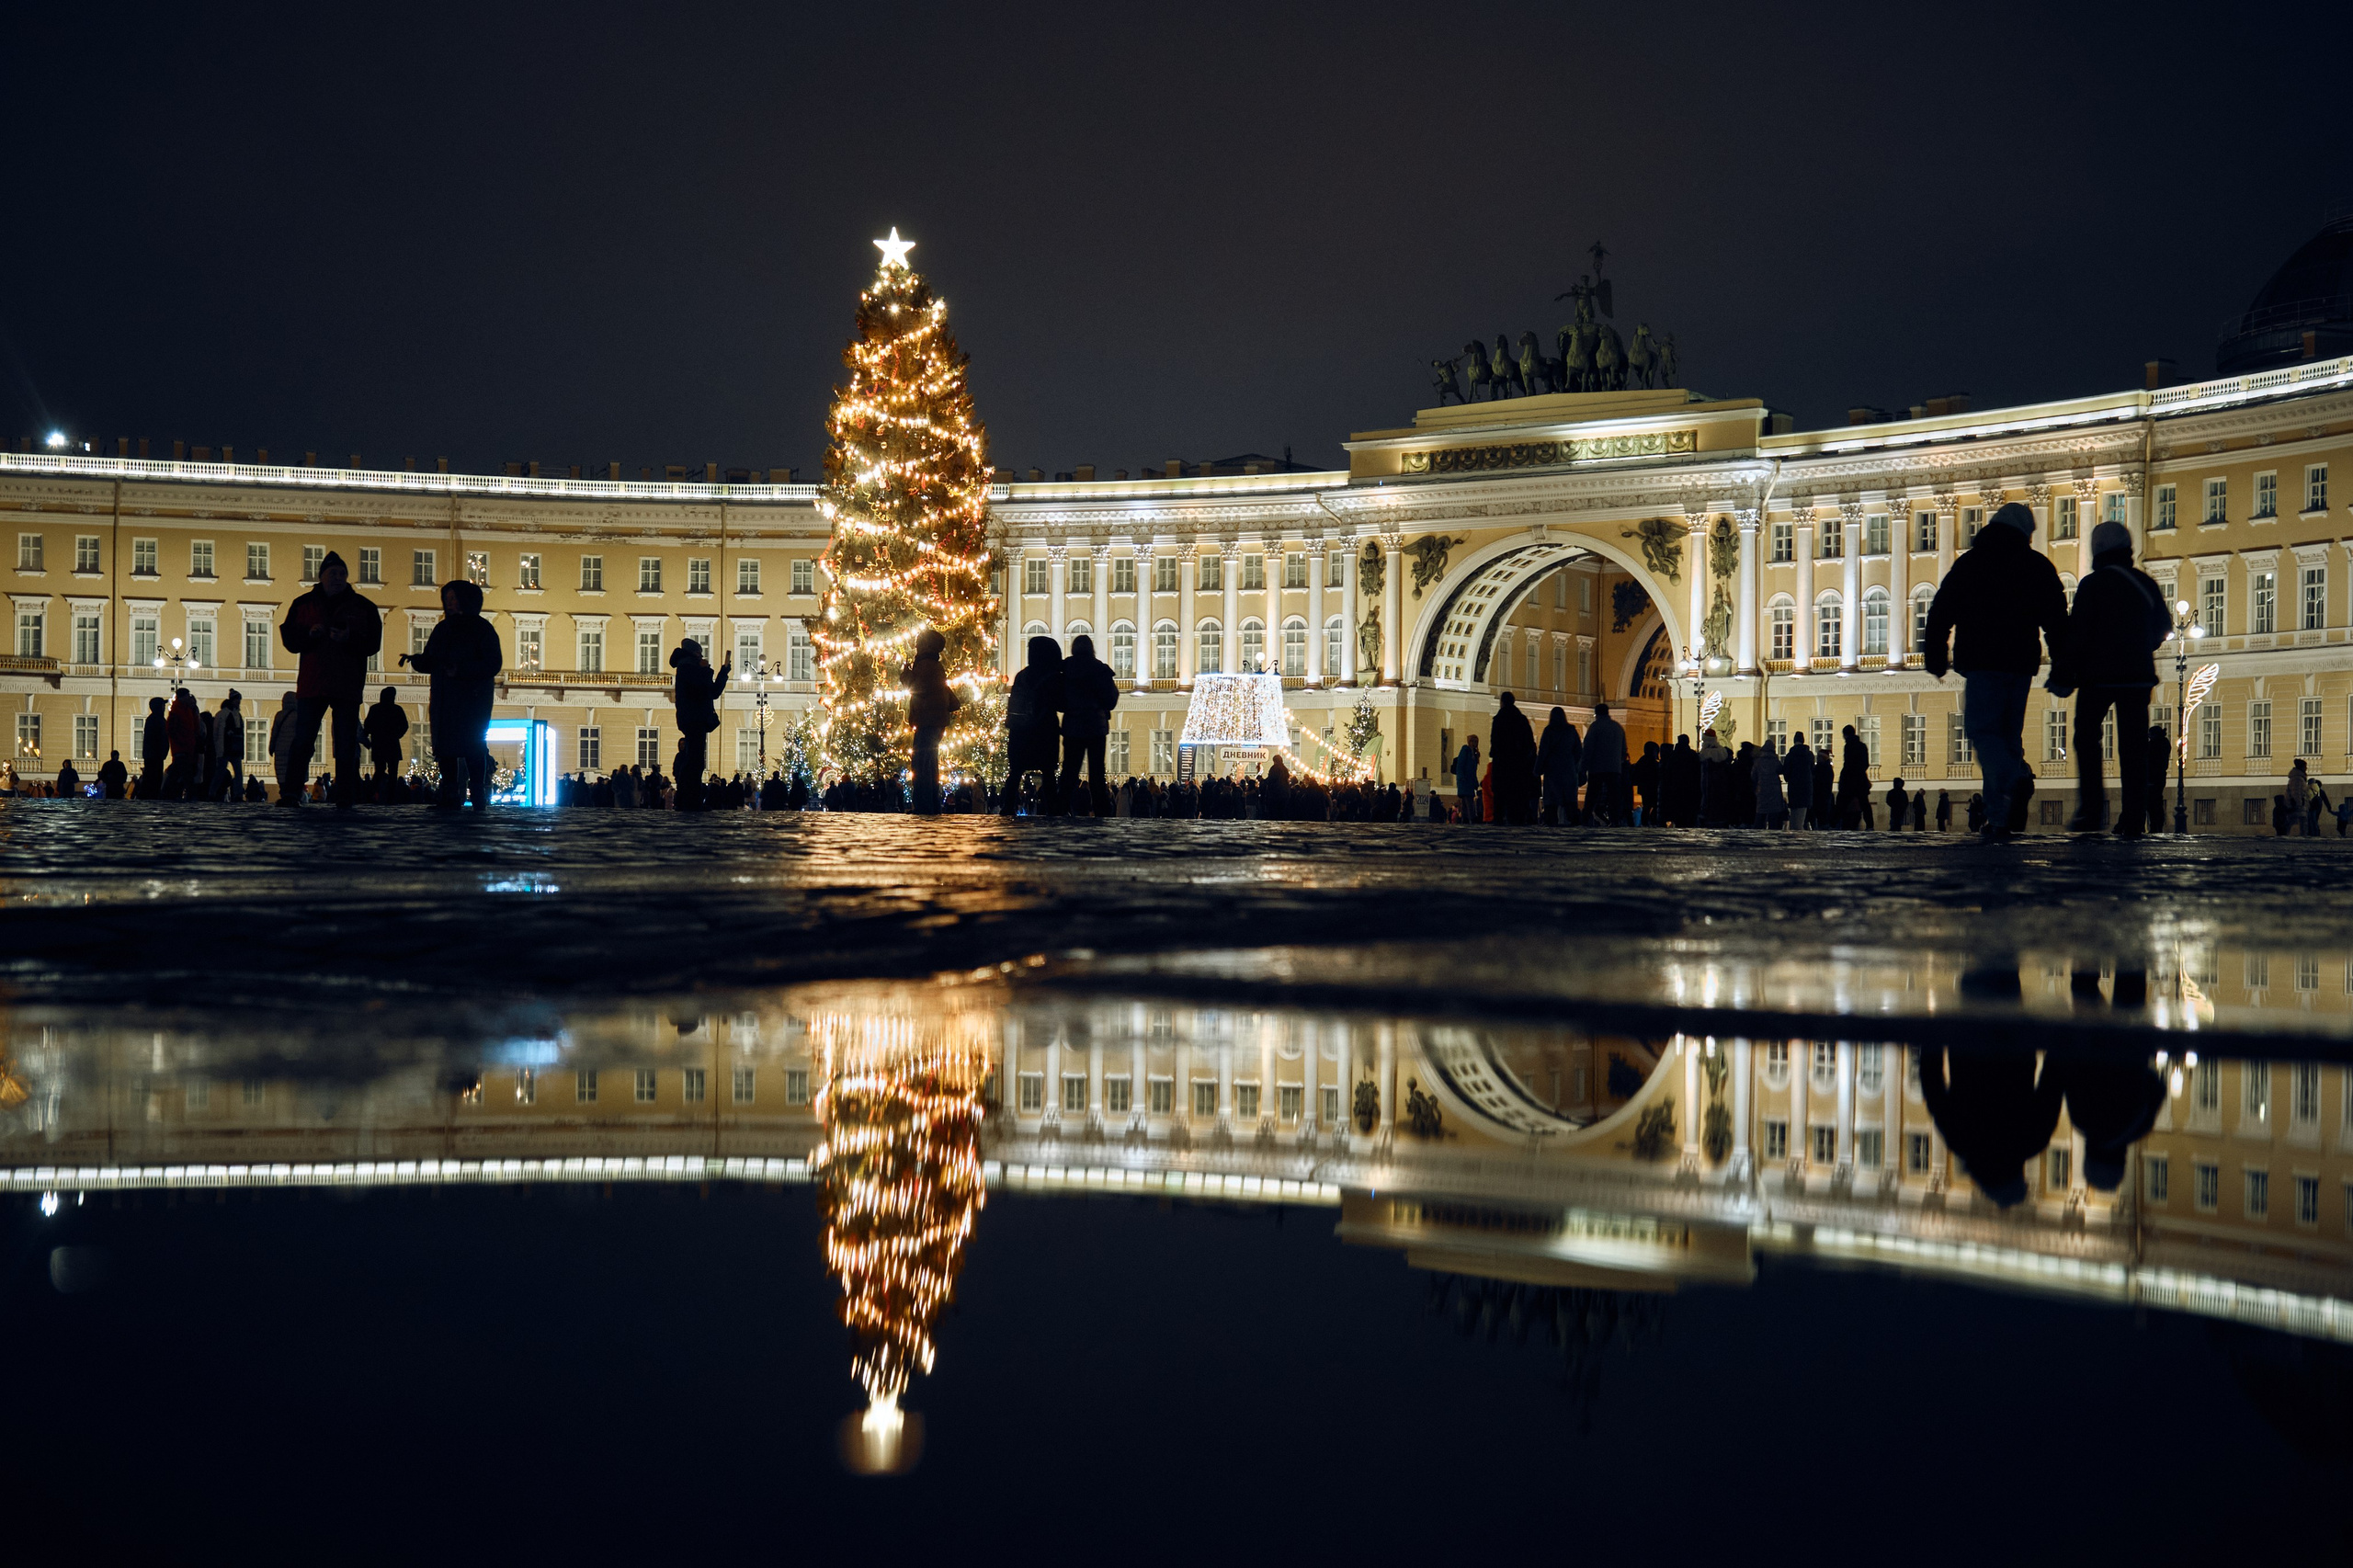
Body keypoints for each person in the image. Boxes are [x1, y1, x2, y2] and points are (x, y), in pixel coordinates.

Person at [1921, 500, 2069, 840]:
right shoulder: (2036, 566)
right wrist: (2062, 662)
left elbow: (1942, 609)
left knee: (1983, 732)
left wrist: (1935, 652)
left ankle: (2010, 781)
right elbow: (2057, 622)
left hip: (1983, 661)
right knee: (2007, 736)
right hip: (2019, 665)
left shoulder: (1972, 563)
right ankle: (2000, 816)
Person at [2047, 518, 2169, 837]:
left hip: (2097, 678)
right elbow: (2163, 628)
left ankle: (2090, 810)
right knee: (2133, 749)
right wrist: (2142, 647)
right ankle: (2132, 817)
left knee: (2086, 739)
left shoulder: (2093, 584)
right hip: (2138, 678)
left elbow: (2079, 635)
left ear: (2097, 550)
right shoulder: (2146, 584)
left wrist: (2063, 670)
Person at [278, 551, 383, 807]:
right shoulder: (303, 604)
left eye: (342, 574)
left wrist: (348, 639)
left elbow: (373, 643)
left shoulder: (363, 607)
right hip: (314, 683)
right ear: (321, 576)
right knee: (303, 740)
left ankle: (345, 793)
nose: (338, 578)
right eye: (333, 573)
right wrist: (309, 635)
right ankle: (292, 792)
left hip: (345, 683)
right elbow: (290, 641)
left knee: (345, 743)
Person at [1918, 1042, 2063, 1210]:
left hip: (2017, 1037)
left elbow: (2054, 1076)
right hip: (1968, 1037)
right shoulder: (1959, 1140)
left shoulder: (2033, 1140)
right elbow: (1931, 1080)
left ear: (2017, 1176)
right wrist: (1935, 1037)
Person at [404, 578, 503, 810]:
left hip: (472, 699)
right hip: (444, 697)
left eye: (454, 598)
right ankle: (449, 793)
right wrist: (418, 661)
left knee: (473, 746)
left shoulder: (482, 629)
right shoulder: (442, 628)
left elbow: (492, 664)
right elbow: (432, 659)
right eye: (447, 599)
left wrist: (461, 670)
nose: (450, 603)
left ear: (467, 601)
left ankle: (478, 793)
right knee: (445, 747)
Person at [1002, 634, 1064, 816]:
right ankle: (1052, 808)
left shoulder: (1022, 676)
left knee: (1016, 772)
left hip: (1021, 731)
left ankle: (1008, 807)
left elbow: (1014, 705)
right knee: (1048, 773)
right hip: (1044, 730)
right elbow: (1060, 703)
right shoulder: (1051, 677)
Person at [1057, 632, 1119, 816]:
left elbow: (1058, 699)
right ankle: (1102, 812)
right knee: (1097, 773)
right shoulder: (1100, 669)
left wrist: (1070, 706)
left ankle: (1060, 809)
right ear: (1092, 649)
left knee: (1069, 771)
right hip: (1095, 726)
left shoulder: (1066, 668)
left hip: (1073, 726)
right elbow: (1111, 699)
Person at [903, 627, 961, 815]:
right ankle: (932, 805)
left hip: (928, 720)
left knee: (921, 765)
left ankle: (924, 806)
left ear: (926, 645)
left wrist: (906, 675)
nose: (916, 645)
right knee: (929, 764)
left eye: (919, 641)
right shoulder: (934, 665)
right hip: (934, 721)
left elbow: (918, 688)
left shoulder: (926, 665)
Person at [668, 638, 731, 811]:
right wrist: (705, 670)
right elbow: (702, 689)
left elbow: (713, 692)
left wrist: (723, 672)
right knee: (695, 761)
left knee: (694, 760)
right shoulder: (687, 667)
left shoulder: (690, 667)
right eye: (699, 652)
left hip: (695, 717)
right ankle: (689, 800)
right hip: (693, 717)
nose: (702, 656)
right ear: (695, 653)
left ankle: (687, 800)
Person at [1488, 691, 1537, 824]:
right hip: (1518, 763)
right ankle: (1517, 819)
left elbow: (1495, 740)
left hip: (1502, 762)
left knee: (1500, 793)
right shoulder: (1521, 719)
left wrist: (1495, 753)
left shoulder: (1499, 719)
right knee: (1517, 793)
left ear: (1502, 702)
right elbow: (1529, 742)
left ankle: (1498, 819)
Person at [1583, 699, 1627, 824]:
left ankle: (1585, 820)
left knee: (1591, 796)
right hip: (1614, 768)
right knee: (1614, 797)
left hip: (1596, 768)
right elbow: (1624, 750)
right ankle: (1615, 820)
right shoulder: (1617, 727)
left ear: (1596, 714)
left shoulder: (1595, 727)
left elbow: (1587, 749)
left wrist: (1583, 769)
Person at [1537, 709, 1582, 825]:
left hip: (1552, 770)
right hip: (1568, 770)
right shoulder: (1571, 731)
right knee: (1570, 801)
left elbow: (1543, 751)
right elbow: (1578, 752)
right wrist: (1573, 764)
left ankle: (1551, 823)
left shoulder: (1549, 731)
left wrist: (1537, 769)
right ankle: (1575, 822)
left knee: (1551, 801)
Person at [361, 687, 409, 792]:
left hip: (379, 744)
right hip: (392, 743)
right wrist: (397, 735)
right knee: (392, 772)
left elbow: (368, 725)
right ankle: (390, 796)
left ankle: (371, 793)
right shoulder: (397, 709)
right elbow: (405, 726)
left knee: (380, 770)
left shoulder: (375, 709)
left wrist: (366, 736)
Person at [163, 688, 199, 799]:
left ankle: (166, 794)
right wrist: (182, 742)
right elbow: (172, 730)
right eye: (187, 695)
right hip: (181, 748)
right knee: (185, 774)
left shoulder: (186, 710)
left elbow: (194, 728)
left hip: (187, 747)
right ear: (182, 697)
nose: (189, 697)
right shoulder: (177, 711)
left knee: (177, 774)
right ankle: (190, 795)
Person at [210, 690, 246, 801]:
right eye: (237, 700)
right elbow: (216, 732)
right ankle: (212, 792)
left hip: (235, 749)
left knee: (238, 773)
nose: (238, 702)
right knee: (220, 773)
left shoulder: (237, 715)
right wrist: (218, 748)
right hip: (225, 748)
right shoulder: (223, 714)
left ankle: (238, 795)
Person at [1835, 724, 1871, 829]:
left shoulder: (1848, 746)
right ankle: (1870, 826)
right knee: (1865, 803)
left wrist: (1845, 778)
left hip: (1849, 780)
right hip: (1860, 779)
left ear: (1845, 735)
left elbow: (1848, 764)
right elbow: (1865, 764)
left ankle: (1834, 823)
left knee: (1841, 803)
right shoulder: (1862, 746)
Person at [1780, 733, 1814, 830]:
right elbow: (1812, 770)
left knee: (1794, 818)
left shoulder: (1790, 755)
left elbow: (1786, 775)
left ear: (1794, 741)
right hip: (1806, 789)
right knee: (1801, 819)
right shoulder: (1809, 755)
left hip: (1794, 789)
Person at [2143, 722, 2172, 834]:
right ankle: (2157, 826)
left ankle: (2154, 826)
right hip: (2160, 776)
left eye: (2150, 735)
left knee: (2152, 804)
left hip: (2153, 777)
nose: (2148, 737)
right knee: (2157, 802)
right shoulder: (2164, 743)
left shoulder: (2155, 744)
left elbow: (2150, 761)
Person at [1755, 735, 1788, 828]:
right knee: (1774, 815)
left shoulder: (1758, 761)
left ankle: (1758, 833)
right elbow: (1781, 770)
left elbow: (1753, 775)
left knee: (1761, 814)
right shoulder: (1775, 761)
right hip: (1774, 790)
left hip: (1762, 790)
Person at [138, 697, 167, 798]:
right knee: (153, 780)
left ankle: (149, 797)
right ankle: (150, 797)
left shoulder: (154, 719)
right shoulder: (157, 719)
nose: (164, 707)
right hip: (155, 755)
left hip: (154, 755)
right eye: (163, 705)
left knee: (152, 779)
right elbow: (160, 738)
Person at [1629, 740, 1659, 826]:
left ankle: (1646, 822)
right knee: (1651, 806)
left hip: (1644, 788)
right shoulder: (1651, 763)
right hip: (1651, 788)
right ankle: (1648, 822)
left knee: (1647, 807)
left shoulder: (1642, 760)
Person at [1450, 733, 1481, 820]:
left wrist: (1475, 782)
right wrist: (1461, 778)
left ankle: (1466, 820)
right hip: (1465, 781)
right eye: (1473, 741)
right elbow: (1460, 765)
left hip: (1469, 781)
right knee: (1468, 802)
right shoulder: (1465, 750)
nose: (1474, 743)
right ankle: (1470, 819)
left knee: (1466, 802)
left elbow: (1473, 771)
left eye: (1476, 741)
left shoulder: (1474, 754)